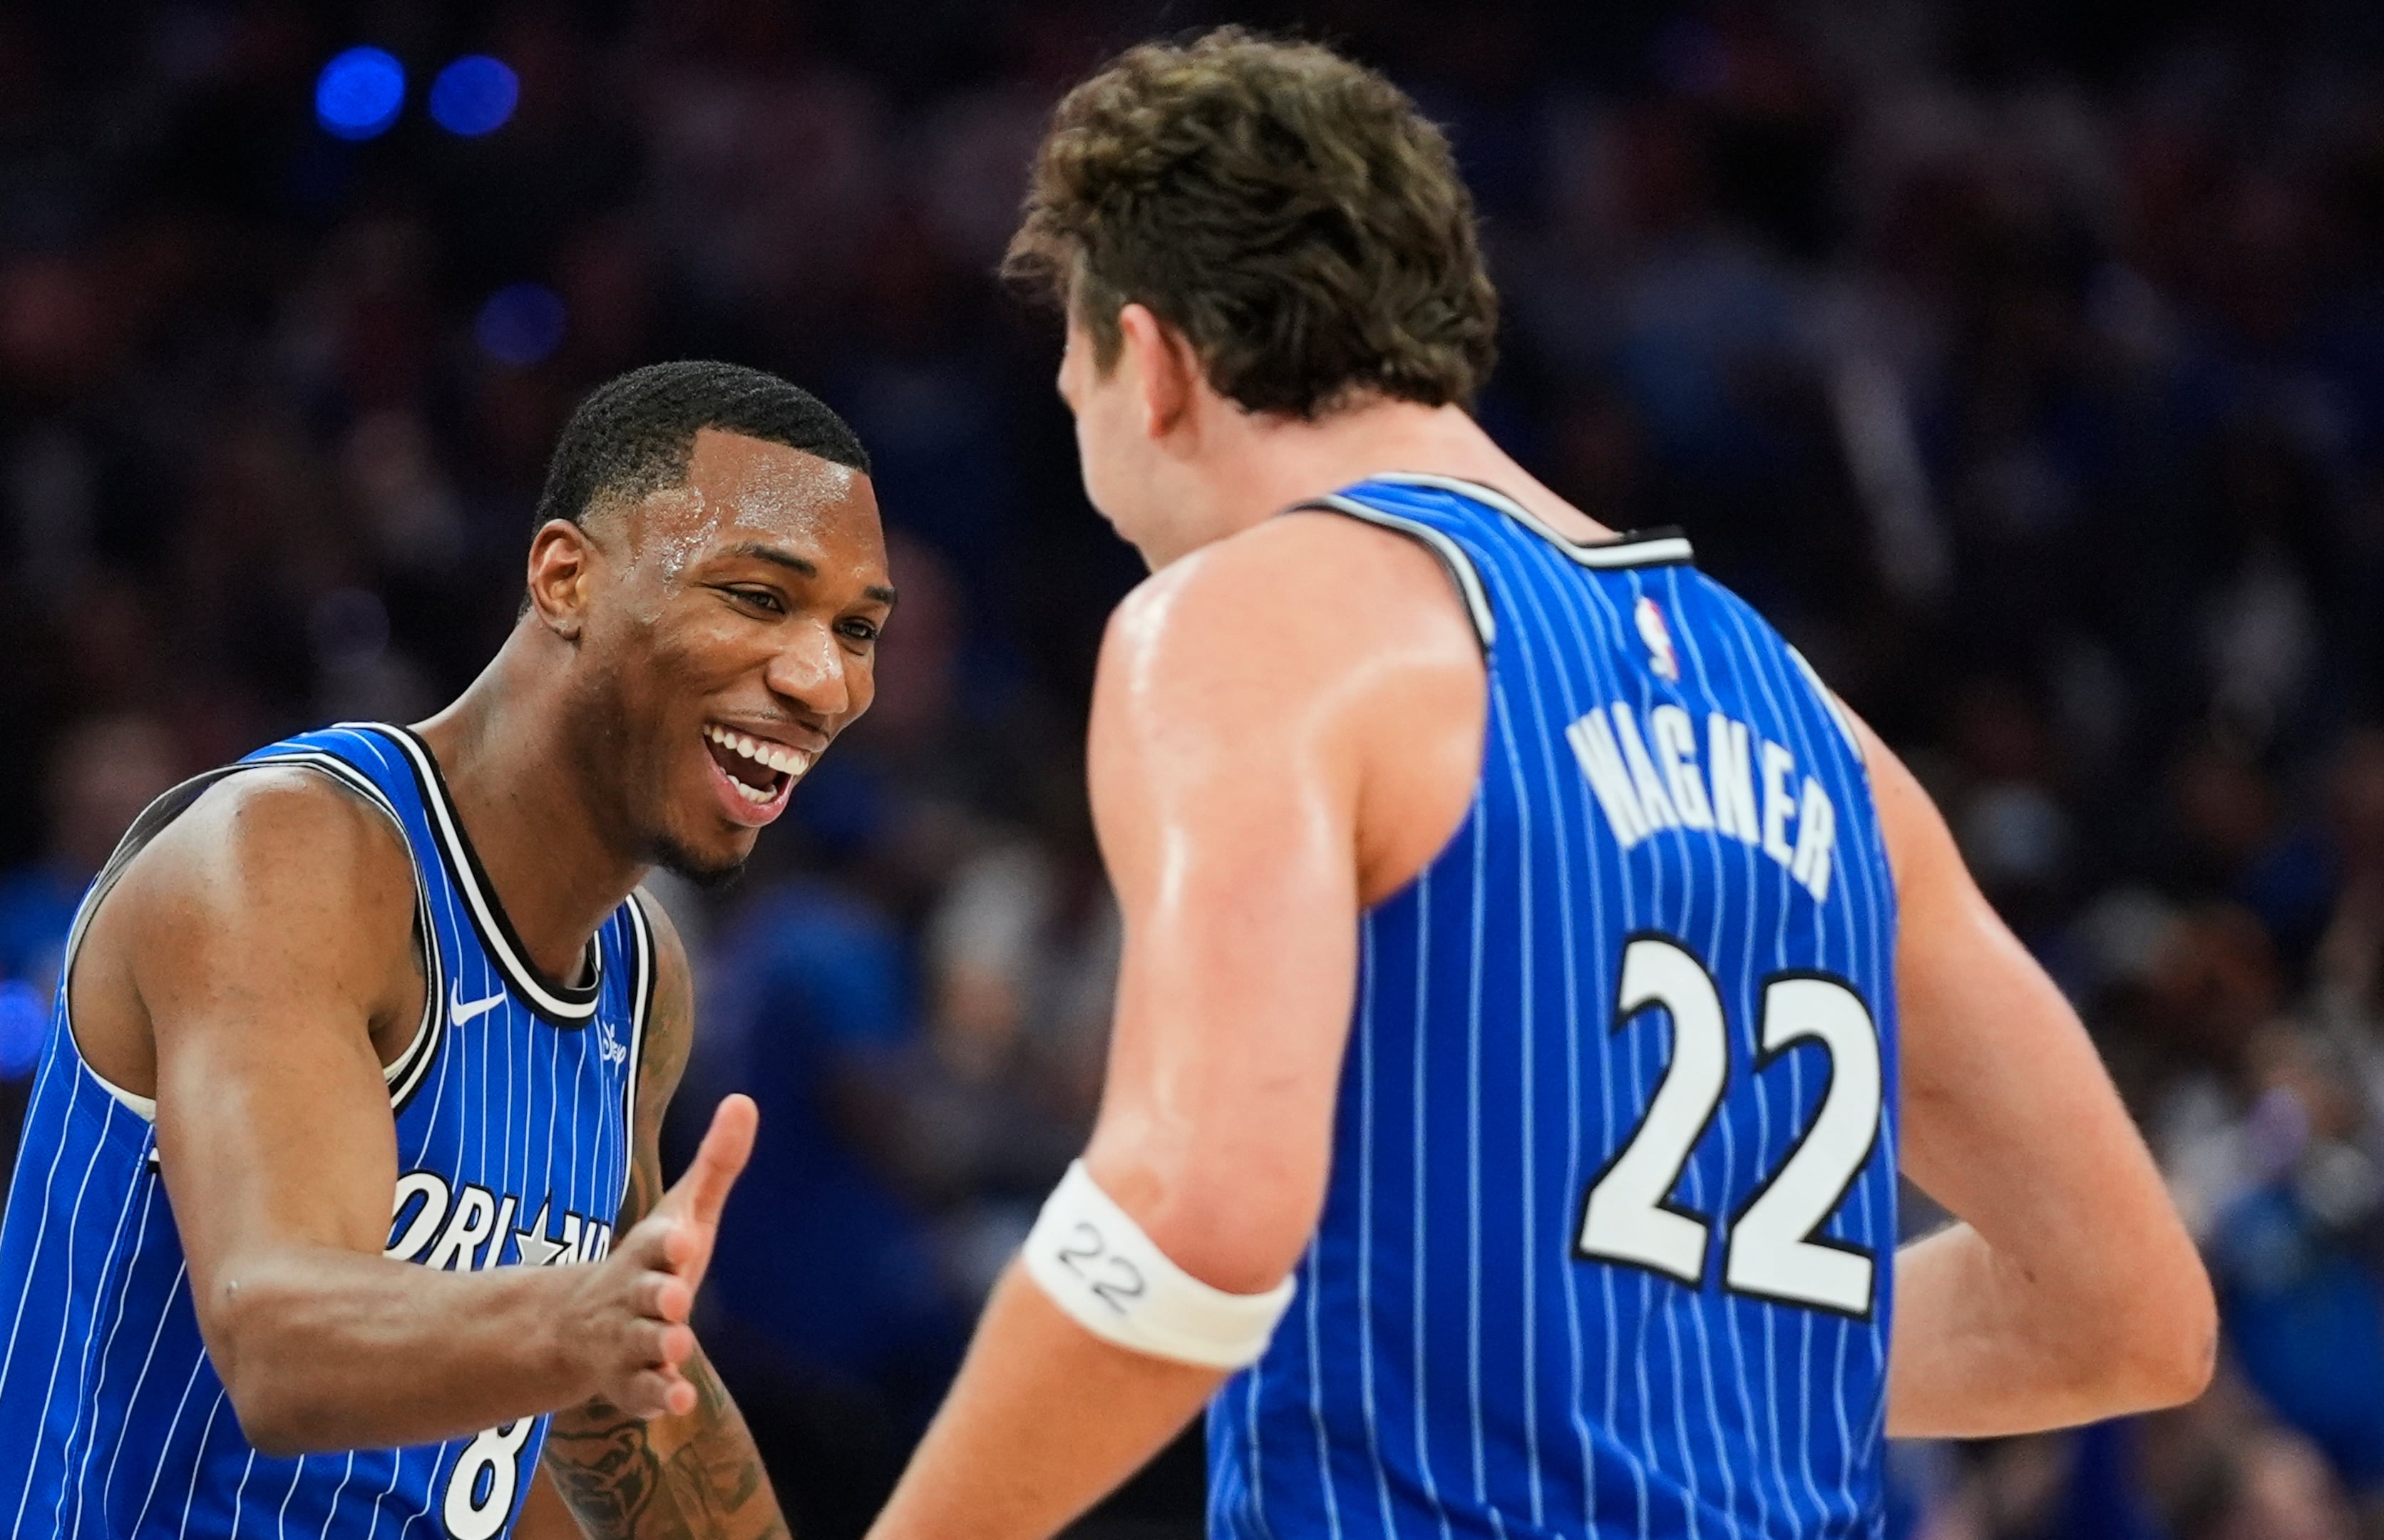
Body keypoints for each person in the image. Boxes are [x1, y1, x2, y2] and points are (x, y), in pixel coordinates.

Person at [868, 31, 2216, 1540]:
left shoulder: (1252, 619)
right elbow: (2121, 1309)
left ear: (1159, 363)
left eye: (1079, 403)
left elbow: (1196, 1213)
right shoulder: (1822, 730)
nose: (1104, 497)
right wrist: (1659, 1348)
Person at [0, 359, 895, 1539]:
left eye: (858, 629)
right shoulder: (292, 856)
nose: (822, 680)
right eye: (760, 597)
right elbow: (276, 1344)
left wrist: (589, 1345)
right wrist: (568, 1329)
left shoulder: (641, 979)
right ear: (566, 577)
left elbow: (602, 1418)